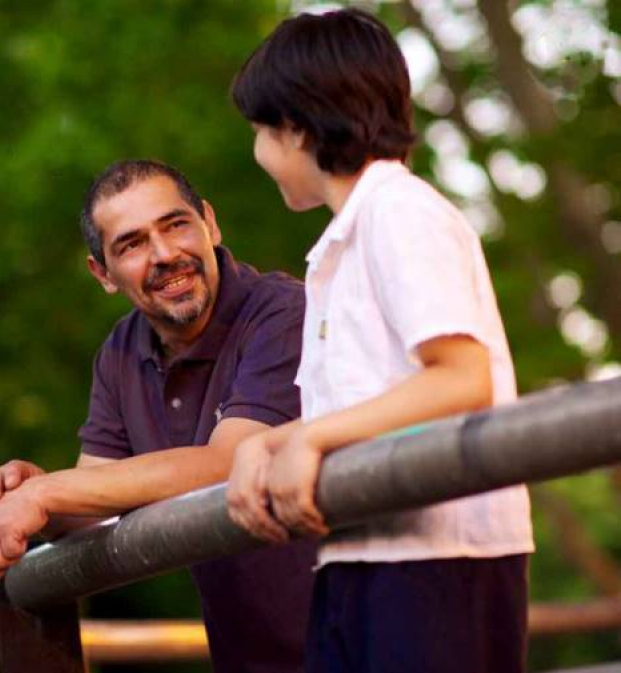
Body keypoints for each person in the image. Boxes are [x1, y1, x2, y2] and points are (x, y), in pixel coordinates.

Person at [225, 9, 534, 673]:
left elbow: (461, 377)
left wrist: (309, 437)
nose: (256, 153)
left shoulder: (401, 212)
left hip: (442, 560)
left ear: (297, 128)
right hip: (357, 553)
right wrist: (268, 441)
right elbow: (368, 406)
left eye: (259, 131)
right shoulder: (339, 249)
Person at [0, 159, 317, 673]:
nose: (166, 255)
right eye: (132, 244)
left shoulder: (284, 313)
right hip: (252, 656)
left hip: (360, 640)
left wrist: (47, 493)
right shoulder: (121, 350)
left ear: (209, 223)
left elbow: (229, 462)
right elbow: (95, 500)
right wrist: (29, 495)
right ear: (101, 272)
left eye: (176, 225)